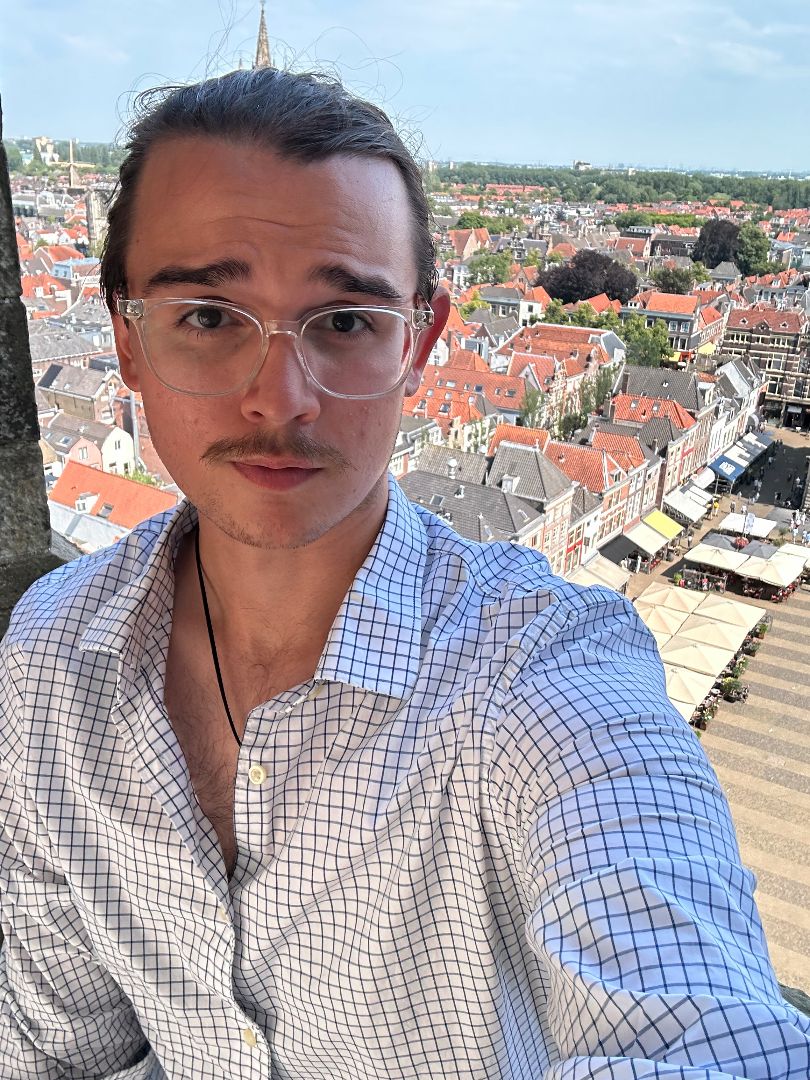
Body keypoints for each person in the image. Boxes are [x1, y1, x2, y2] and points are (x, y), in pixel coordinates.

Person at [1, 69, 809, 1080]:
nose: (277, 398)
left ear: (419, 343)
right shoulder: (46, 659)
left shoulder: (541, 674)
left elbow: (701, 1024)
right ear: (126, 339)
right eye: (209, 317)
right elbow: (48, 1043)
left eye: (343, 322)